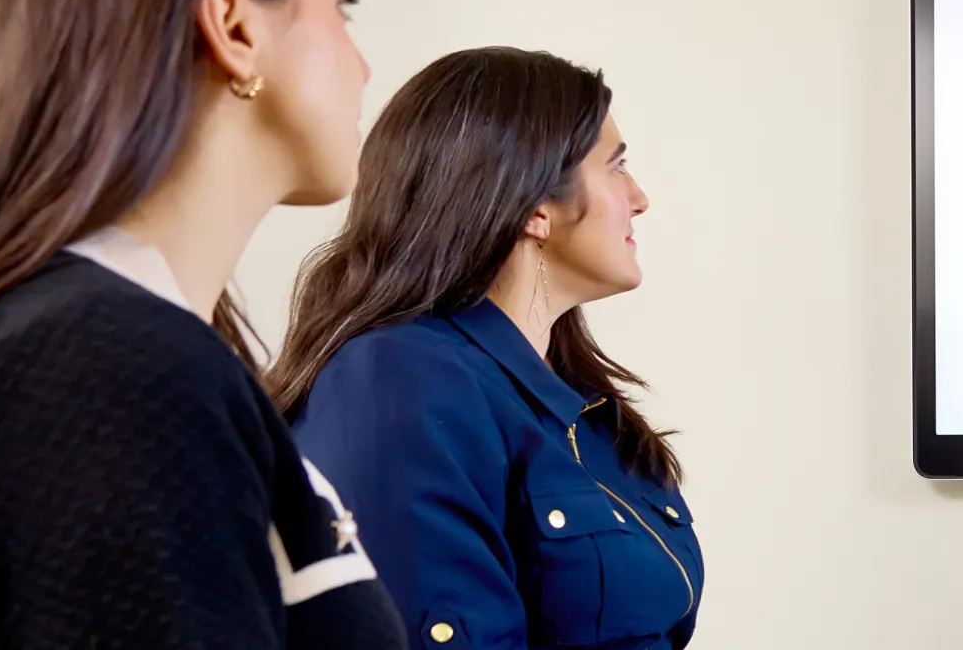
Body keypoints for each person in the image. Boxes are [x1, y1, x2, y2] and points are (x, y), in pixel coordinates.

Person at [0, 0, 404, 647]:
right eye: (341, 3)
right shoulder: (105, 367)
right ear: (234, 23)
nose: (364, 64)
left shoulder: (105, 348)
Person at [267, 47, 702, 649]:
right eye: (617, 166)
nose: (640, 197)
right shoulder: (400, 380)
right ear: (535, 207)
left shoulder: (586, 412)